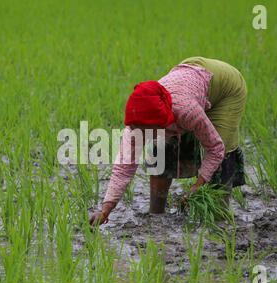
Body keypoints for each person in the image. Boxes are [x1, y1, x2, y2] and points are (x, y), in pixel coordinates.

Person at [89, 57, 247, 226]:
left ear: (160, 121)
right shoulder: (137, 122)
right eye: (138, 129)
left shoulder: (186, 112)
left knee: (223, 155)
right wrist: (105, 210)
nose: (142, 135)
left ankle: (219, 219)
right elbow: (123, 168)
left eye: (147, 130)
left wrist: (198, 185)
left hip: (226, 87)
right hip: (188, 77)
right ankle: (156, 214)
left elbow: (216, 148)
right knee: (161, 148)